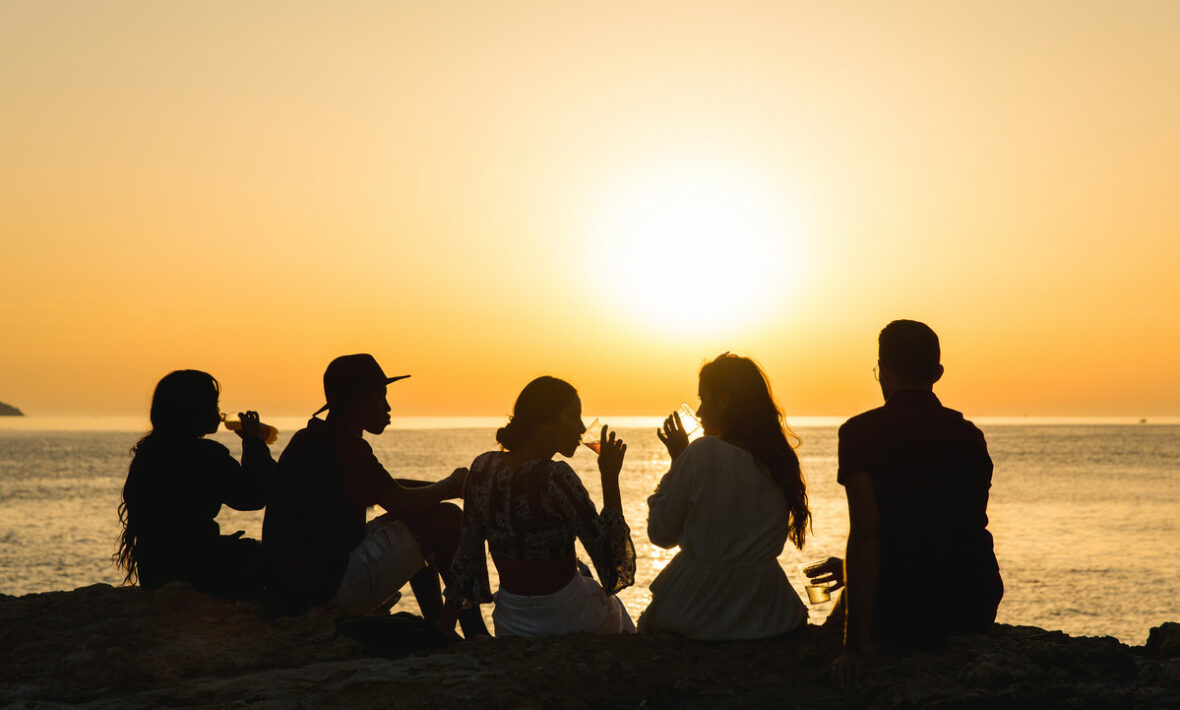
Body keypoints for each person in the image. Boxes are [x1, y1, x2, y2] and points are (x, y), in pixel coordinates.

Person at [262, 354, 487, 637]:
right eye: (380, 397)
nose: (388, 407)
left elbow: (386, 490)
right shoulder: (345, 446)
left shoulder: (314, 439)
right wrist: (453, 483)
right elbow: (402, 502)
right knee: (447, 519)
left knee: (419, 513)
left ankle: (436, 626)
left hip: (298, 586)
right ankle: (473, 630)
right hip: (327, 588)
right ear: (355, 402)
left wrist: (450, 488)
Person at [833, 320, 1003, 688]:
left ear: (883, 371)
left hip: (902, 610)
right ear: (938, 373)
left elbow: (867, 535)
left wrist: (855, 648)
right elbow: (949, 526)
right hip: (971, 601)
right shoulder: (971, 437)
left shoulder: (859, 434)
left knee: (838, 618)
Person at [446, 376, 635, 637]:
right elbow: (611, 563)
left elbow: (467, 552)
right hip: (568, 615)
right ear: (546, 423)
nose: (582, 428)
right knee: (619, 613)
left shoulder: (483, 467)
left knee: (581, 570)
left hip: (510, 620)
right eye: (574, 417)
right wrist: (610, 476)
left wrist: (444, 627)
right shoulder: (555, 477)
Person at [641, 353, 812, 640]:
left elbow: (661, 534)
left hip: (697, 609)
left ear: (725, 401)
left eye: (704, 399)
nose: (698, 412)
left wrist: (679, 461)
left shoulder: (702, 452)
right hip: (769, 612)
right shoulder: (778, 459)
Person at [114, 369, 275, 599]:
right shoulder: (205, 456)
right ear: (195, 410)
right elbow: (252, 497)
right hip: (197, 571)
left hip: (155, 571)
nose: (220, 413)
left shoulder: (149, 453)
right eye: (213, 405)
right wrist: (253, 442)